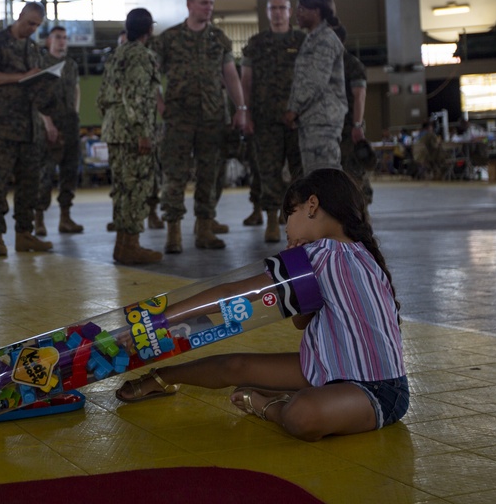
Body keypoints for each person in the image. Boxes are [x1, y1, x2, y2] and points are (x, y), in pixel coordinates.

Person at [114, 168, 407, 442]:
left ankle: (268, 405)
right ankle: (162, 378)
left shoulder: (322, 255)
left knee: (302, 416)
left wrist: (162, 318)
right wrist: (294, 272)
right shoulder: (358, 253)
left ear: (312, 205)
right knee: (234, 365)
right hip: (329, 367)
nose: (286, 228)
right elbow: (302, 320)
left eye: (288, 215)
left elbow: (235, 292)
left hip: (377, 391)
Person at [152, 0, 249, 253]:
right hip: (178, 119)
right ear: (190, 5)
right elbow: (151, 77)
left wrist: (241, 108)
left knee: (209, 175)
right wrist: (160, 105)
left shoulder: (218, 38)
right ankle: (173, 233)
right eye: (204, 3)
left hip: (212, 118)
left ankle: (204, 230)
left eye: (211, 3)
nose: (209, 7)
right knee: (175, 176)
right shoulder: (168, 39)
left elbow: (230, 75)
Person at [0, 2, 55, 257]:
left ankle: (24, 234)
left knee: (29, 185)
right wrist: (21, 77)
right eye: (29, 23)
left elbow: (36, 84)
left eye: (36, 25)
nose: (32, 29)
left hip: (29, 128)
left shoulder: (34, 48)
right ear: (19, 16)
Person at [97, 9, 163, 265]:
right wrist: (142, 132)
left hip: (115, 129)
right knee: (137, 188)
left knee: (123, 189)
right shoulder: (141, 55)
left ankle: (122, 246)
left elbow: (102, 96)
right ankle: (131, 245)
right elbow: (136, 96)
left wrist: (114, 123)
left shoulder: (117, 53)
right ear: (150, 30)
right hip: (133, 133)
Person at [241, 0, 305, 242]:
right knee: (268, 171)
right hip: (265, 119)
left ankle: (295, 219)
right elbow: (246, 80)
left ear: (290, 11)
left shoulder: (302, 41)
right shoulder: (256, 43)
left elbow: (310, 79)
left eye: (282, 8)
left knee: (299, 173)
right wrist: (245, 112)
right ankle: (271, 219)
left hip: (297, 119)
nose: (278, 12)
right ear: (267, 12)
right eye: (273, 8)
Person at [284, 0, 348, 174]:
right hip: (312, 118)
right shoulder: (312, 39)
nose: (297, 14)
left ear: (316, 12)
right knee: (315, 175)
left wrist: (294, 109)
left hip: (322, 120)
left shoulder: (325, 40)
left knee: (325, 175)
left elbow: (315, 80)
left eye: (302, 9)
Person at [33, 26, 84, 237]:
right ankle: (39, 219)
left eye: (64, 38)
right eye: (57, 37)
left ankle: (65, 217)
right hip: (48, 126)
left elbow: (76, 89)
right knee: (45, 173)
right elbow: (35, 96)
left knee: (69, 172)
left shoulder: (71, 65)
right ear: (49, 42)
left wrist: (75, 112)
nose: (62, 41)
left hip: (69, 123)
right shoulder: (41, 64)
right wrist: (48, 123)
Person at [334, 25, 374, 204]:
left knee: (354, 171)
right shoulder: (324, 65)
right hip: (330, 127)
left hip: (349, 127)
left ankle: (362, 210)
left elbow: (360, 95)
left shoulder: (351, 64)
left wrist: (357, 125)